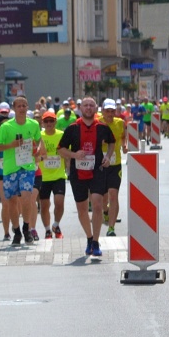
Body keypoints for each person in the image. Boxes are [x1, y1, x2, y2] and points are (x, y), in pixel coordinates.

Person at [57, 96, 115, 258]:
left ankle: (96, 242)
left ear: (95, 109)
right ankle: (89, 238)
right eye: (85, 105)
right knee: (82, 209)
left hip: (97, 171)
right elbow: (60, 149)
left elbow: (112, 142)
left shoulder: (102, 127)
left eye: (91, 105)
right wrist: (74, 155)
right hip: (78, 173)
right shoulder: (72, 128)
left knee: (97, 205)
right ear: (80, 108)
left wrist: (108, 156)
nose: (88, 108)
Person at [0, 96, 42, 245]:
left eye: (24, 105)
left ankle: (26, 227)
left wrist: (38, 149)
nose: (22, 108)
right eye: (19, 106)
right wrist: (11, 145)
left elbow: (39, 140)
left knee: (26, 197)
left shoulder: (33, 124)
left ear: (27, 107)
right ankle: (17, 230)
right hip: (10, 168)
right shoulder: (6, 127)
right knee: (12, 201)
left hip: (27, 167)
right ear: (14, 108)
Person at [36, 109, 66, 239]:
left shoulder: (62, 135)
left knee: (59, 203)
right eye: (46, 121)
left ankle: (56, 224)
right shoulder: (39, 136)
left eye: (51, 121)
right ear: (42, 123)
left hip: (59, 175)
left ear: (55, 122)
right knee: (44, 206)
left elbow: (67, 151)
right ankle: (48, 230)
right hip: (43, 177)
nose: (49, 123)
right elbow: (34, 154)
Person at [99, 99, 127, 237]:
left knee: (113, 195)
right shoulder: (97, 122)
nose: (110, 114)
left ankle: (111, 227)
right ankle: (105, 211)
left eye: (112, 111)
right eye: (107, 111)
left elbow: (123, 136)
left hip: (115, 164)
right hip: (100, 164)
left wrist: (124, 145)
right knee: (103, 198)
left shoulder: (120, 122)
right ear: (103, 111)